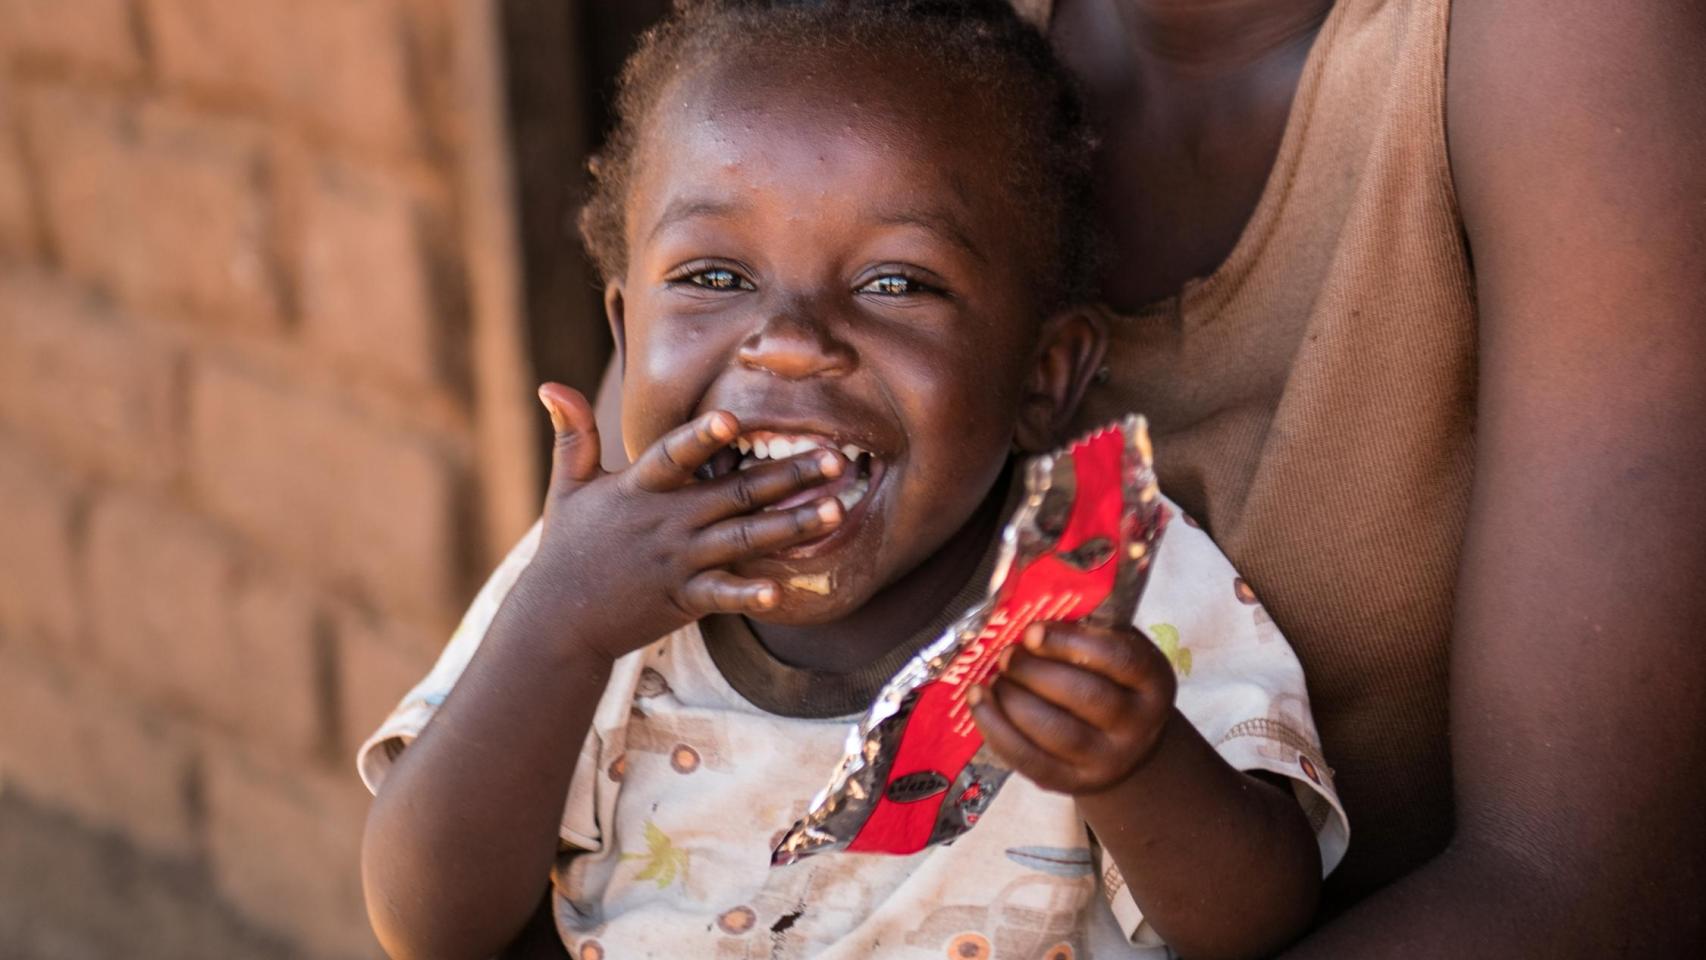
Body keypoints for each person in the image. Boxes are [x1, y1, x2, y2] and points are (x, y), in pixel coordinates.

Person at [357, 3, 1351, 958]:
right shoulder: (584, 579)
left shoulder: (1101, 586)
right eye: (712, 275)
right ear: (623, 330)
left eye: (894, 283)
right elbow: (430, 924)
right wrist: (555, 628)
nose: (787, 345)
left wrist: (1137, 769)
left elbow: (1257, 926)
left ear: (1042, 377)